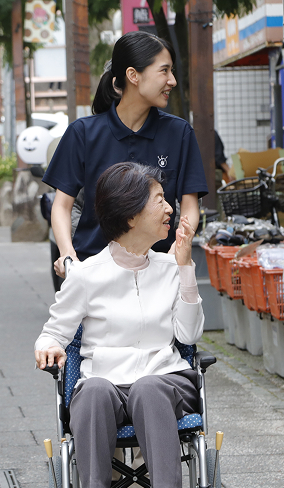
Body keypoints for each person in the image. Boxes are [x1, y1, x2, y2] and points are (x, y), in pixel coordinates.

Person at [35, 162, 203, 488]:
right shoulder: (86, 275)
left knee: (149, 387)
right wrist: (49, 345)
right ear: (130, 216)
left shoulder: (171, 267)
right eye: (159, 200)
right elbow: (54, 331)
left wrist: (185, 269)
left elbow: (189, 334)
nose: (170, 208)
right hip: (106, 384)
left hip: (166, 384)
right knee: (93, 390)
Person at [42, 31, 208, 277]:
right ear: (133, 75)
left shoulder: (179, 133)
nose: (172, 80)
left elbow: (190, 207)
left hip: (160, 273)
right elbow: (62, 206)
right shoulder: (82, 133)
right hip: (93, 273)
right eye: (164, 71)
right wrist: (67, 252)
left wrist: (178, 249)